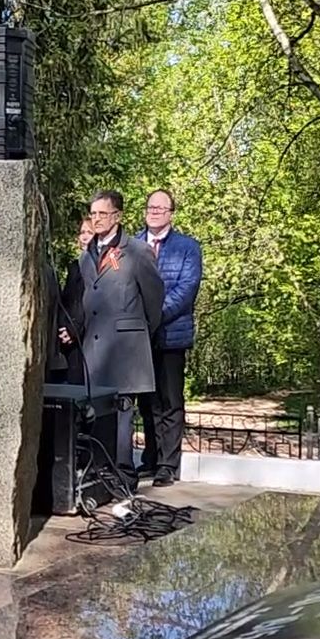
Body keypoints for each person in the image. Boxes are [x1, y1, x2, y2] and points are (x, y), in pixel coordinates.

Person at [60, 190, 165, 481]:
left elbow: (154, 302)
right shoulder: (86, 255)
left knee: (122, 415)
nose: (96, 220)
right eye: (92, 214)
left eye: (102, 214)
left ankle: (123, 475)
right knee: (96, 414)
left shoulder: (137, 252)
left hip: (125, 347)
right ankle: (98, 473)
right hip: (94, 348)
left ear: (117, 216)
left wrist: (138, 332)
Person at [137, 190, 201, 486]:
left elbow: (186, 290)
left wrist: (155, 313)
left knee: (170, 401)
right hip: (138, 338)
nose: (155, 212)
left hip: (171, 334)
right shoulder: (132, 245)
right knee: (146, 401)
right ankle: (150, 459)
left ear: (171, 213)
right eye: (151, 207)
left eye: (161, 208)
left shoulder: (187, 247)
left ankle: (168, 465)